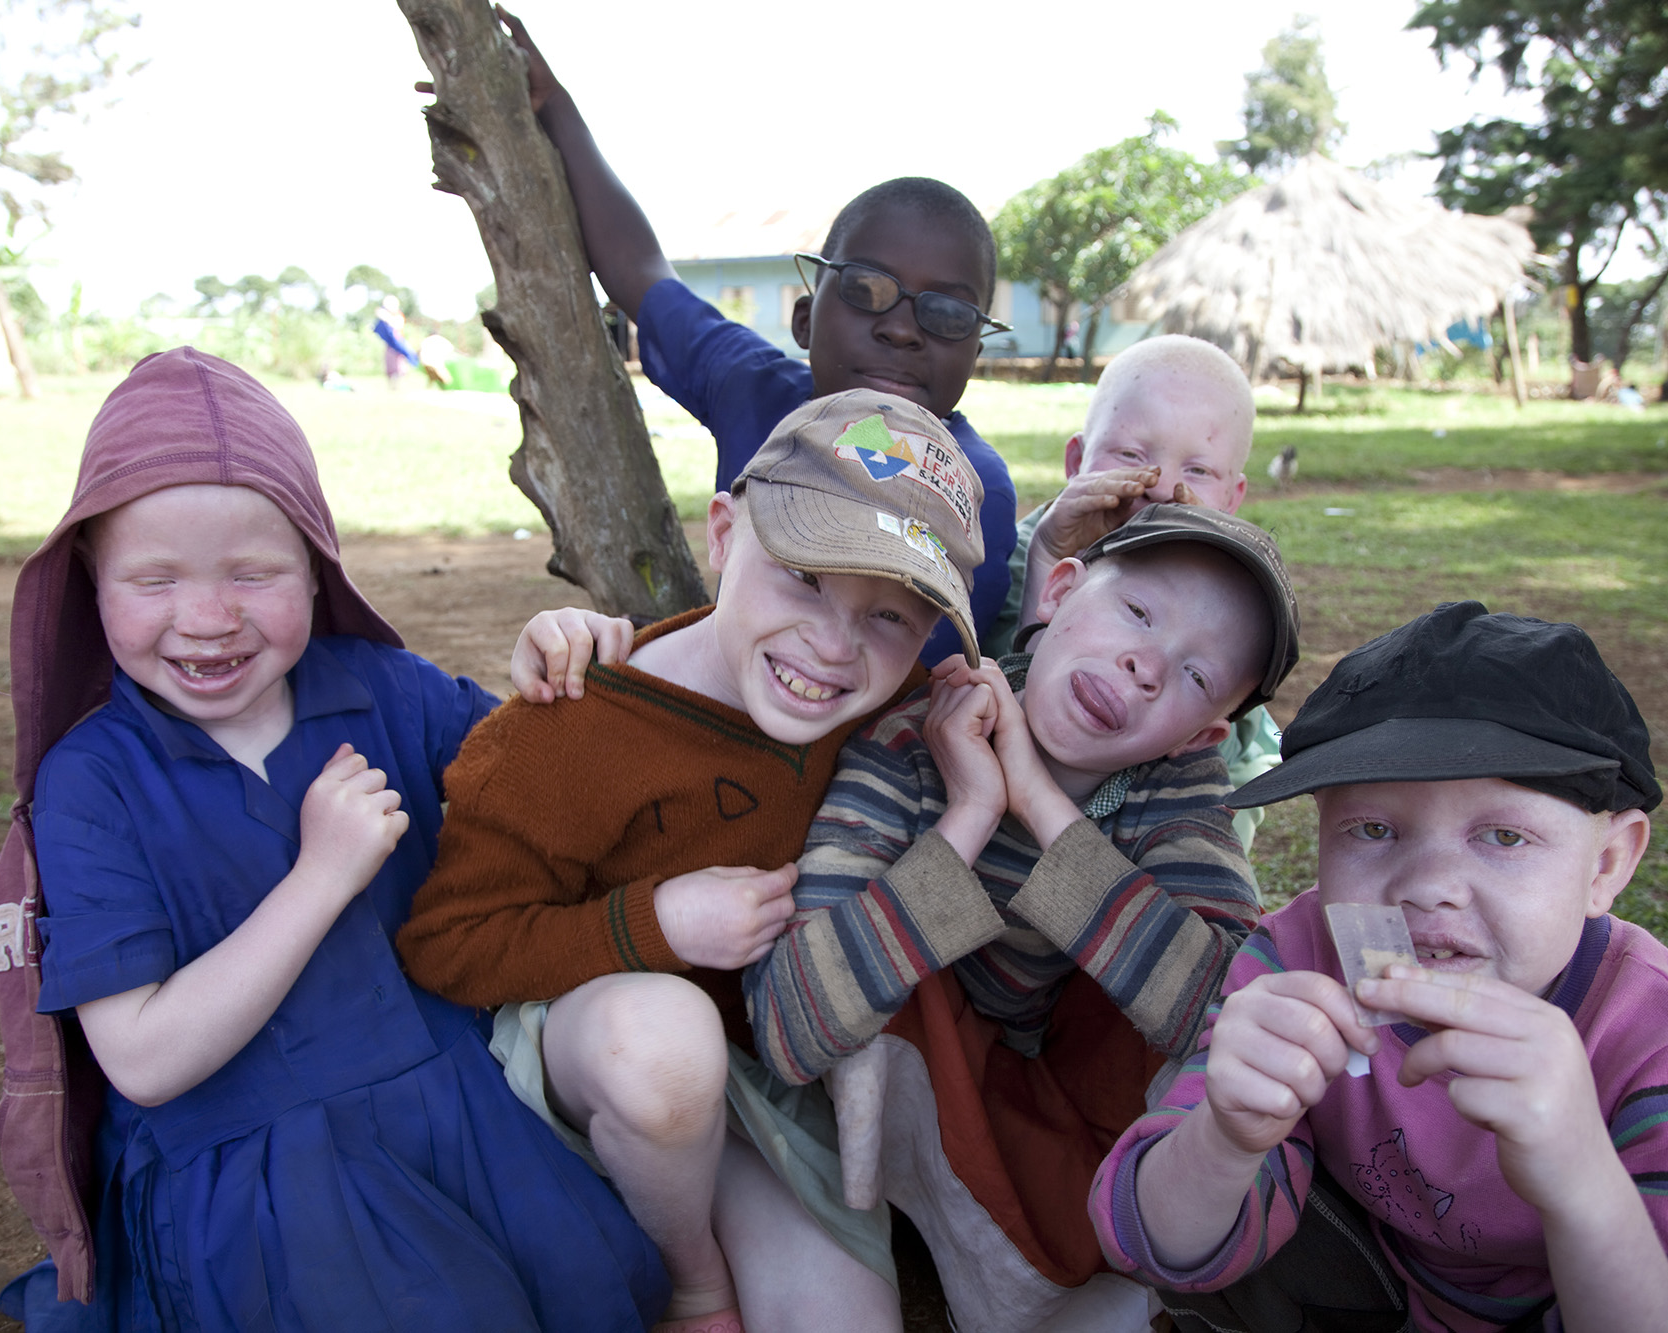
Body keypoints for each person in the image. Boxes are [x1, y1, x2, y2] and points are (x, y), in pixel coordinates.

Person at [0, 346, 668, 1331]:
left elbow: (560, 809)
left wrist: (554, 679)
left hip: (461, 1116)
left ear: (315, 563)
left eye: (253, 573)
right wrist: (320, 877)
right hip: (265, 1175)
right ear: (91, 573)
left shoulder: (383, 689)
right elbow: (141, 1058)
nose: (207, 619)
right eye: (155, 579)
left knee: (587, 1293)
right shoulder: (92, 780)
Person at [398, 389, 989, 1333]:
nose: (832, 646)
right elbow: (448, 946)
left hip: (760, 1092)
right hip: (592, 1064)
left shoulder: (901, 716)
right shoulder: (569, 725)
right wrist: (657, 922)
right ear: (722, 532)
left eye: (890, 615)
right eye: (802, 577)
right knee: (663, 1042)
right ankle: (693, 1283)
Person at [1090, 602, 1668, 1333]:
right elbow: (1146, 1239)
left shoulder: (1664, 1046)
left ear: (1606, 863)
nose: (1429, 883)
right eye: (1373, 829)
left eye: (1504, 835)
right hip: (1367, 1280)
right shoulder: (1297, 960)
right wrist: (1225, 1136)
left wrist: (1583, 1180)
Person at [748, 505, 1300, 1332]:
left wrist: (1038, 802)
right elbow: (789, 1025)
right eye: (1138, 613)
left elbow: (1226, 1017)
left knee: (1209, 1005)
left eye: (1195, 676)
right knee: (871, 978)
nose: (1146, 664)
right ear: (1058, 589)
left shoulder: (1174, 785)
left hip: (1052, 1084)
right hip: (925, 1079)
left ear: (1207, 732)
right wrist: (970, 811)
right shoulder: (907, 743)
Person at [467, 9, 1017, 668]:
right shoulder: (754, 388)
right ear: (805, 321)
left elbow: (929, 688)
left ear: (974, 356)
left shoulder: (975, 491)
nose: (901, 327)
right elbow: (639, 273)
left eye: (947, 314)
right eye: (867, 289)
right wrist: (557, 108)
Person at [980, 333, 1278, 849]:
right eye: (1131, 453)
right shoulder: (1005, 557)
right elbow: (1029, 698)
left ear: (1232, 498)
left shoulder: (1236, 612)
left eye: (1199, 470)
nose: (1160, 485)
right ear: (1077, 461)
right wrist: (1047, 554)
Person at [372, 294, 419, 388]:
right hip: (390, 346)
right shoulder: (384, 314)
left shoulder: (398, 316)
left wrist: (387, 318)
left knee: (399, 367)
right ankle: (392, 387)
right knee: (390, 367)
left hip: (398, 343)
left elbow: (397, 326)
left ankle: (398, 386)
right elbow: (379, 313)